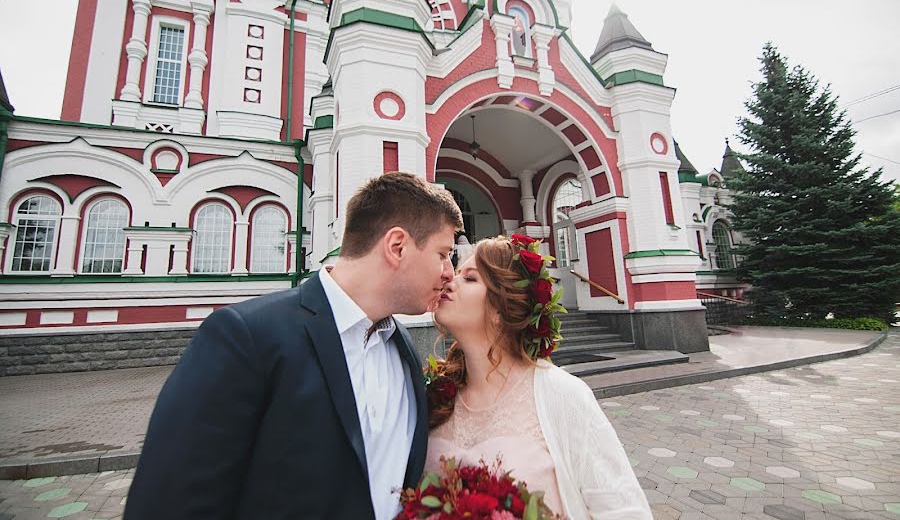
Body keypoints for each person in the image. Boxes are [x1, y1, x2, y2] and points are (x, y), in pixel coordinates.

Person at [124, 172, 463, 520]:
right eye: (443, 253)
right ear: (397, 246)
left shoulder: (401, 345)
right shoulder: (247, 337)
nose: (449, 272)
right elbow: (170, 502)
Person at [425, 235, 652, 519]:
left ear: (500, 308)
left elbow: (624, 510)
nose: (449, 280)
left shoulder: (563, 394)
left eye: (469, 279)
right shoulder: (437, 393)